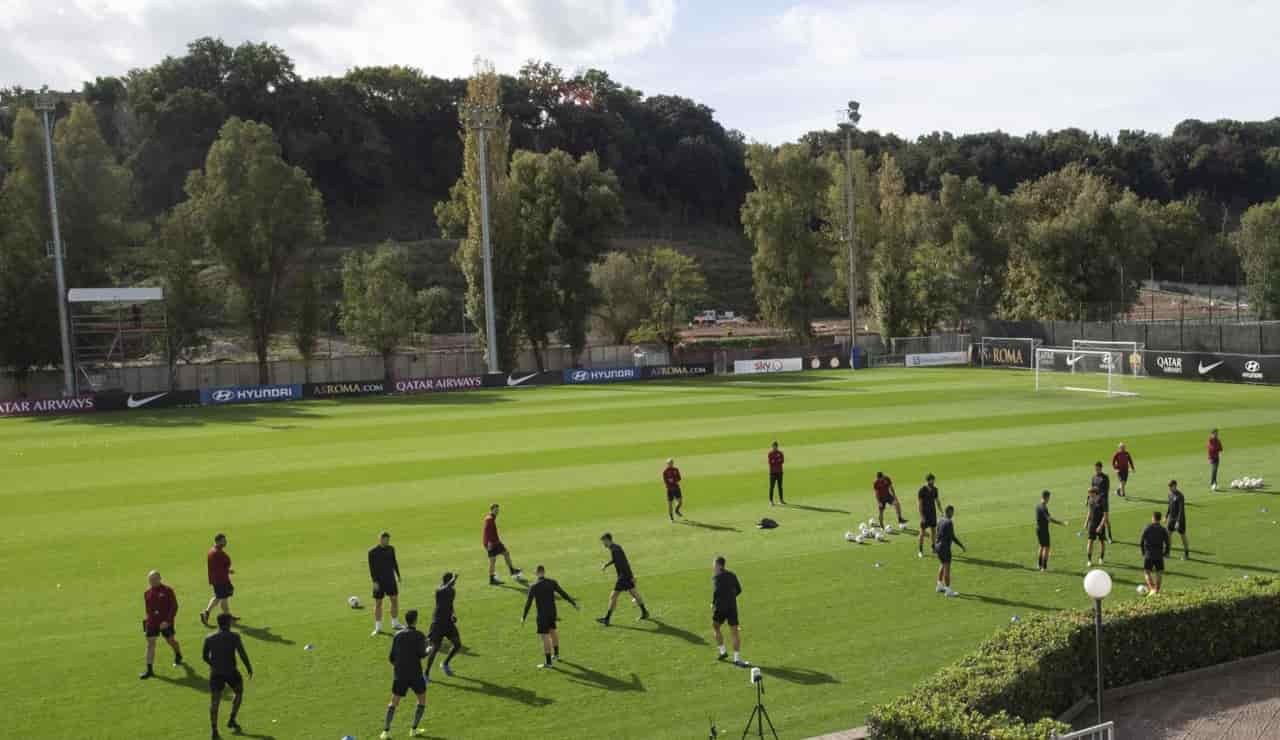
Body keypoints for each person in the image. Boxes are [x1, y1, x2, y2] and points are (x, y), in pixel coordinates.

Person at [203, 613, 252, 740]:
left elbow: (204, 656)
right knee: (239, 692)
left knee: (215, 702)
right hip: (231, 672)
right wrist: (248, 667)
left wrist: (213, 664)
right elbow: (242, 653)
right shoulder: (234, 636)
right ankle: (232, 719)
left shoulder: (209, 638)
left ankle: (214, 730)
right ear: (228, 622)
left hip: (216, 673)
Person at [381, 609, 428, 739]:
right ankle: (414, 729)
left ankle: (386, 731)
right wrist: (428, 648)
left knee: (394, 702)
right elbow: (422, 654)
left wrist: (398, 668)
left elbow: (391, 657)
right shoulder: (420, 635)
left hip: (400, 674)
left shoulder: (398, 635)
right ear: (416, 620)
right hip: (415, 674)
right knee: (422, 700)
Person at [522, 565, 578, 669]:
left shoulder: (534, 586)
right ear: (544, 572)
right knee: (553, 632)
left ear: (536, 573)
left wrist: (523, 616)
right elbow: (563, 593)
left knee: (545, 637)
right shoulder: (552, 582)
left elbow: (528, 603)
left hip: (542, 615)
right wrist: (573, 603)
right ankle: (556, 655)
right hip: (552, 613)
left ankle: (548, 663)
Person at [596, 533, 650, 625]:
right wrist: (606, 565)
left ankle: (607, 618)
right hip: (626, 576)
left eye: (603, 541)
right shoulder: (615, 548)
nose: (603, 544)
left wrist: (630, 576)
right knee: (634, 593)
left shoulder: (615, 549)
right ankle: (644, 612)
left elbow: (624, 563)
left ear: (607, 540)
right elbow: (616, 560)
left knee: (613, 596)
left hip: (623, 577)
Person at [140, 570, 183, 679]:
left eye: (154, 579)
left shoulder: (168, 590)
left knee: (171, 641)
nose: (152, 582)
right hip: (152, 623)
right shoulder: (147, 593)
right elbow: (148, 610)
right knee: (150, 643)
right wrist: (146, 624)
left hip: (165, 623)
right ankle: (149, 670)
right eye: (150, 580)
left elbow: (174, 607)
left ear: (160, 578)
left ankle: (178, 654)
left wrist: (167, 621)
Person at [711, 556, 748, 667]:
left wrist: (713, 604)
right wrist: (731, 597)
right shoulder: (732, 575)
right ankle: (737, 659)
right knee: (734, 632)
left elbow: (716, 593)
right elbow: (739, 590)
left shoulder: (716, 577)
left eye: (714, 564)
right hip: (732, 607)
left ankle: (722, 651)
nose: (713, 566)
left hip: (721, 608)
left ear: (718, 565)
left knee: (715, 626)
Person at [424, 573, 461, 681]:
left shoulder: (452, 591)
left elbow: (451, 604)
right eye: (452, 582)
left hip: (448, 623)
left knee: (457, 644)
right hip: (438, 623)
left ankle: (445, 663)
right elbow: (446, 587)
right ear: (447, 581)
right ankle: (426, 673)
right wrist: (453, 579)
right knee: (435, 648)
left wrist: (453, 614)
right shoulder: (439, 590)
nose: (454, 583)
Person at [369, 531, 404, 636]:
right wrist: (374, 581)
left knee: (394, 600)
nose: (386, 542)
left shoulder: (391, 549)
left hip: (390, 580)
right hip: (379, 582)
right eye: (384, 540)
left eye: (388, 540)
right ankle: (378, 627)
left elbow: (394, 562)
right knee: (378, 603)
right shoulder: (372, 552)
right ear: (379, 539)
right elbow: (372, 568)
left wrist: (398, 575)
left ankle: (395, 623)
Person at [201, 533, 237, 627]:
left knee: (219, 597)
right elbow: (221, 566)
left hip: (218, 578)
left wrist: (227, 570)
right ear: (218, 541)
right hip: (220, 580)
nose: (225, 542)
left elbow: (218, 567)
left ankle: (207, 614)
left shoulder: (212, 551)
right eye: (223, 540)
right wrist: (228, 570)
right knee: (223, 598)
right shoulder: (217, 553)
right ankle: (226, 617)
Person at [482, 504, 523, 586]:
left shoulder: (490, 518)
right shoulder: (490, 519)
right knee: (493, 561)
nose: (497, 511)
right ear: (491, 510)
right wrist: (489, 543)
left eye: (498, 510)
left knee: (506, 553)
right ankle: (492, 579)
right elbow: (488, 532)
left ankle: (511, 570)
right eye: (496, 510)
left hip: (494, 542)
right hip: (492, 543)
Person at [934, 505, 965, 597]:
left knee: (942, 565)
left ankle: (939, 585)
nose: (953, 514)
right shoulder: (949, 522)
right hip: (944, 548)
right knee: (947, 568)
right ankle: (948, 591)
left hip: (937, 547)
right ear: (949, 512)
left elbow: (937, 532)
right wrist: (961, 545)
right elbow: (952, 536)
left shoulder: (940, 520)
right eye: (952, 512)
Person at [1140, 511, 1172, 595]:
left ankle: (1152, 589)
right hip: (1159, 554)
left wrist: (1143, 552)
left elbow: (1141, 541)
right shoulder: (1163, 529)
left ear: (1153, 518)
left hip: (1149, 554)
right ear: (1160, 519)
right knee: (1159, 573)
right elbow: (1168, 543)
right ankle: (1156, 590)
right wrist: (1166, 553)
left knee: (1147, 572)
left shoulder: (1147, 528)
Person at [1035, 490, 1065, 572]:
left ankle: (1039, 565)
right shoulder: (1043, 507)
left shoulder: (1038, 505)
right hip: (1043, 530)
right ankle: (1044, 567)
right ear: (1047, 497)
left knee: (1041, 546)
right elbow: (1049, 519)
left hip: (1038, 529)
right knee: (1046, 548)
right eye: (1049, 497)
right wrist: (1060, 523)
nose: (1049, 499)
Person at [917, 474, 942, 558]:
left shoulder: (935, 490)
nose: (933, 481)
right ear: (928, 481)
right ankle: (920, 550)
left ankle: (933, 547)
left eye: (933, 480)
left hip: (932, 513)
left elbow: (937, 501)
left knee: (933, 531)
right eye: (932, 480)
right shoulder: (922, 490)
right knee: (922, 532)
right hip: (925, 514)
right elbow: (920, 505)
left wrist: (941, 510)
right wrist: (922, 516)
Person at [1090, 462, 1113, 544]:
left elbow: (1106, 490)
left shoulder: (1105, 478)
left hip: (1103, 501)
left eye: (1098, 469)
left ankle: (1110, 536)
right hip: (1095, 501)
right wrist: (1089, 498)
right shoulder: (1093, 477)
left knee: (1105, 519)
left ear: (1101, 468)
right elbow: (1092, 489)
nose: (1096, 470)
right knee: (1095, 517)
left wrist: (1099, 497)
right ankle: (1098, 535)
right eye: (1095, 469)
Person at [1166, 479, 1189, 560]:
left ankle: (1186, 554)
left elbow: (1181, 510)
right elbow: (1169, 506)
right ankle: (1167, 553)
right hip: (1171, 518)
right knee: (1168, 535)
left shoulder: (1180, 496)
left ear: (1175, 486)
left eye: (1170, 487)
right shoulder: (1170, 494)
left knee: (1183, 536)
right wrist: (1166, 516)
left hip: (1180, 519)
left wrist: (1178, 522)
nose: (1169, 488)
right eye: (1169, 487)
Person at [1085, 487, 1107, 566]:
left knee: (1101, 542)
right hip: (1092, 524)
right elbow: (1090, 512)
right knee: (1090, 541)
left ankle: (1101, 558)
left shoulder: (1102, 501)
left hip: (1100, 524)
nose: (1089, 495)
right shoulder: (1090, 500)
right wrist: (1086, 522)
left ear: (1095, 493)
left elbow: (1105, 515)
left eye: (1090, 494)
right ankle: (1089, 560)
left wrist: (1101, 526)